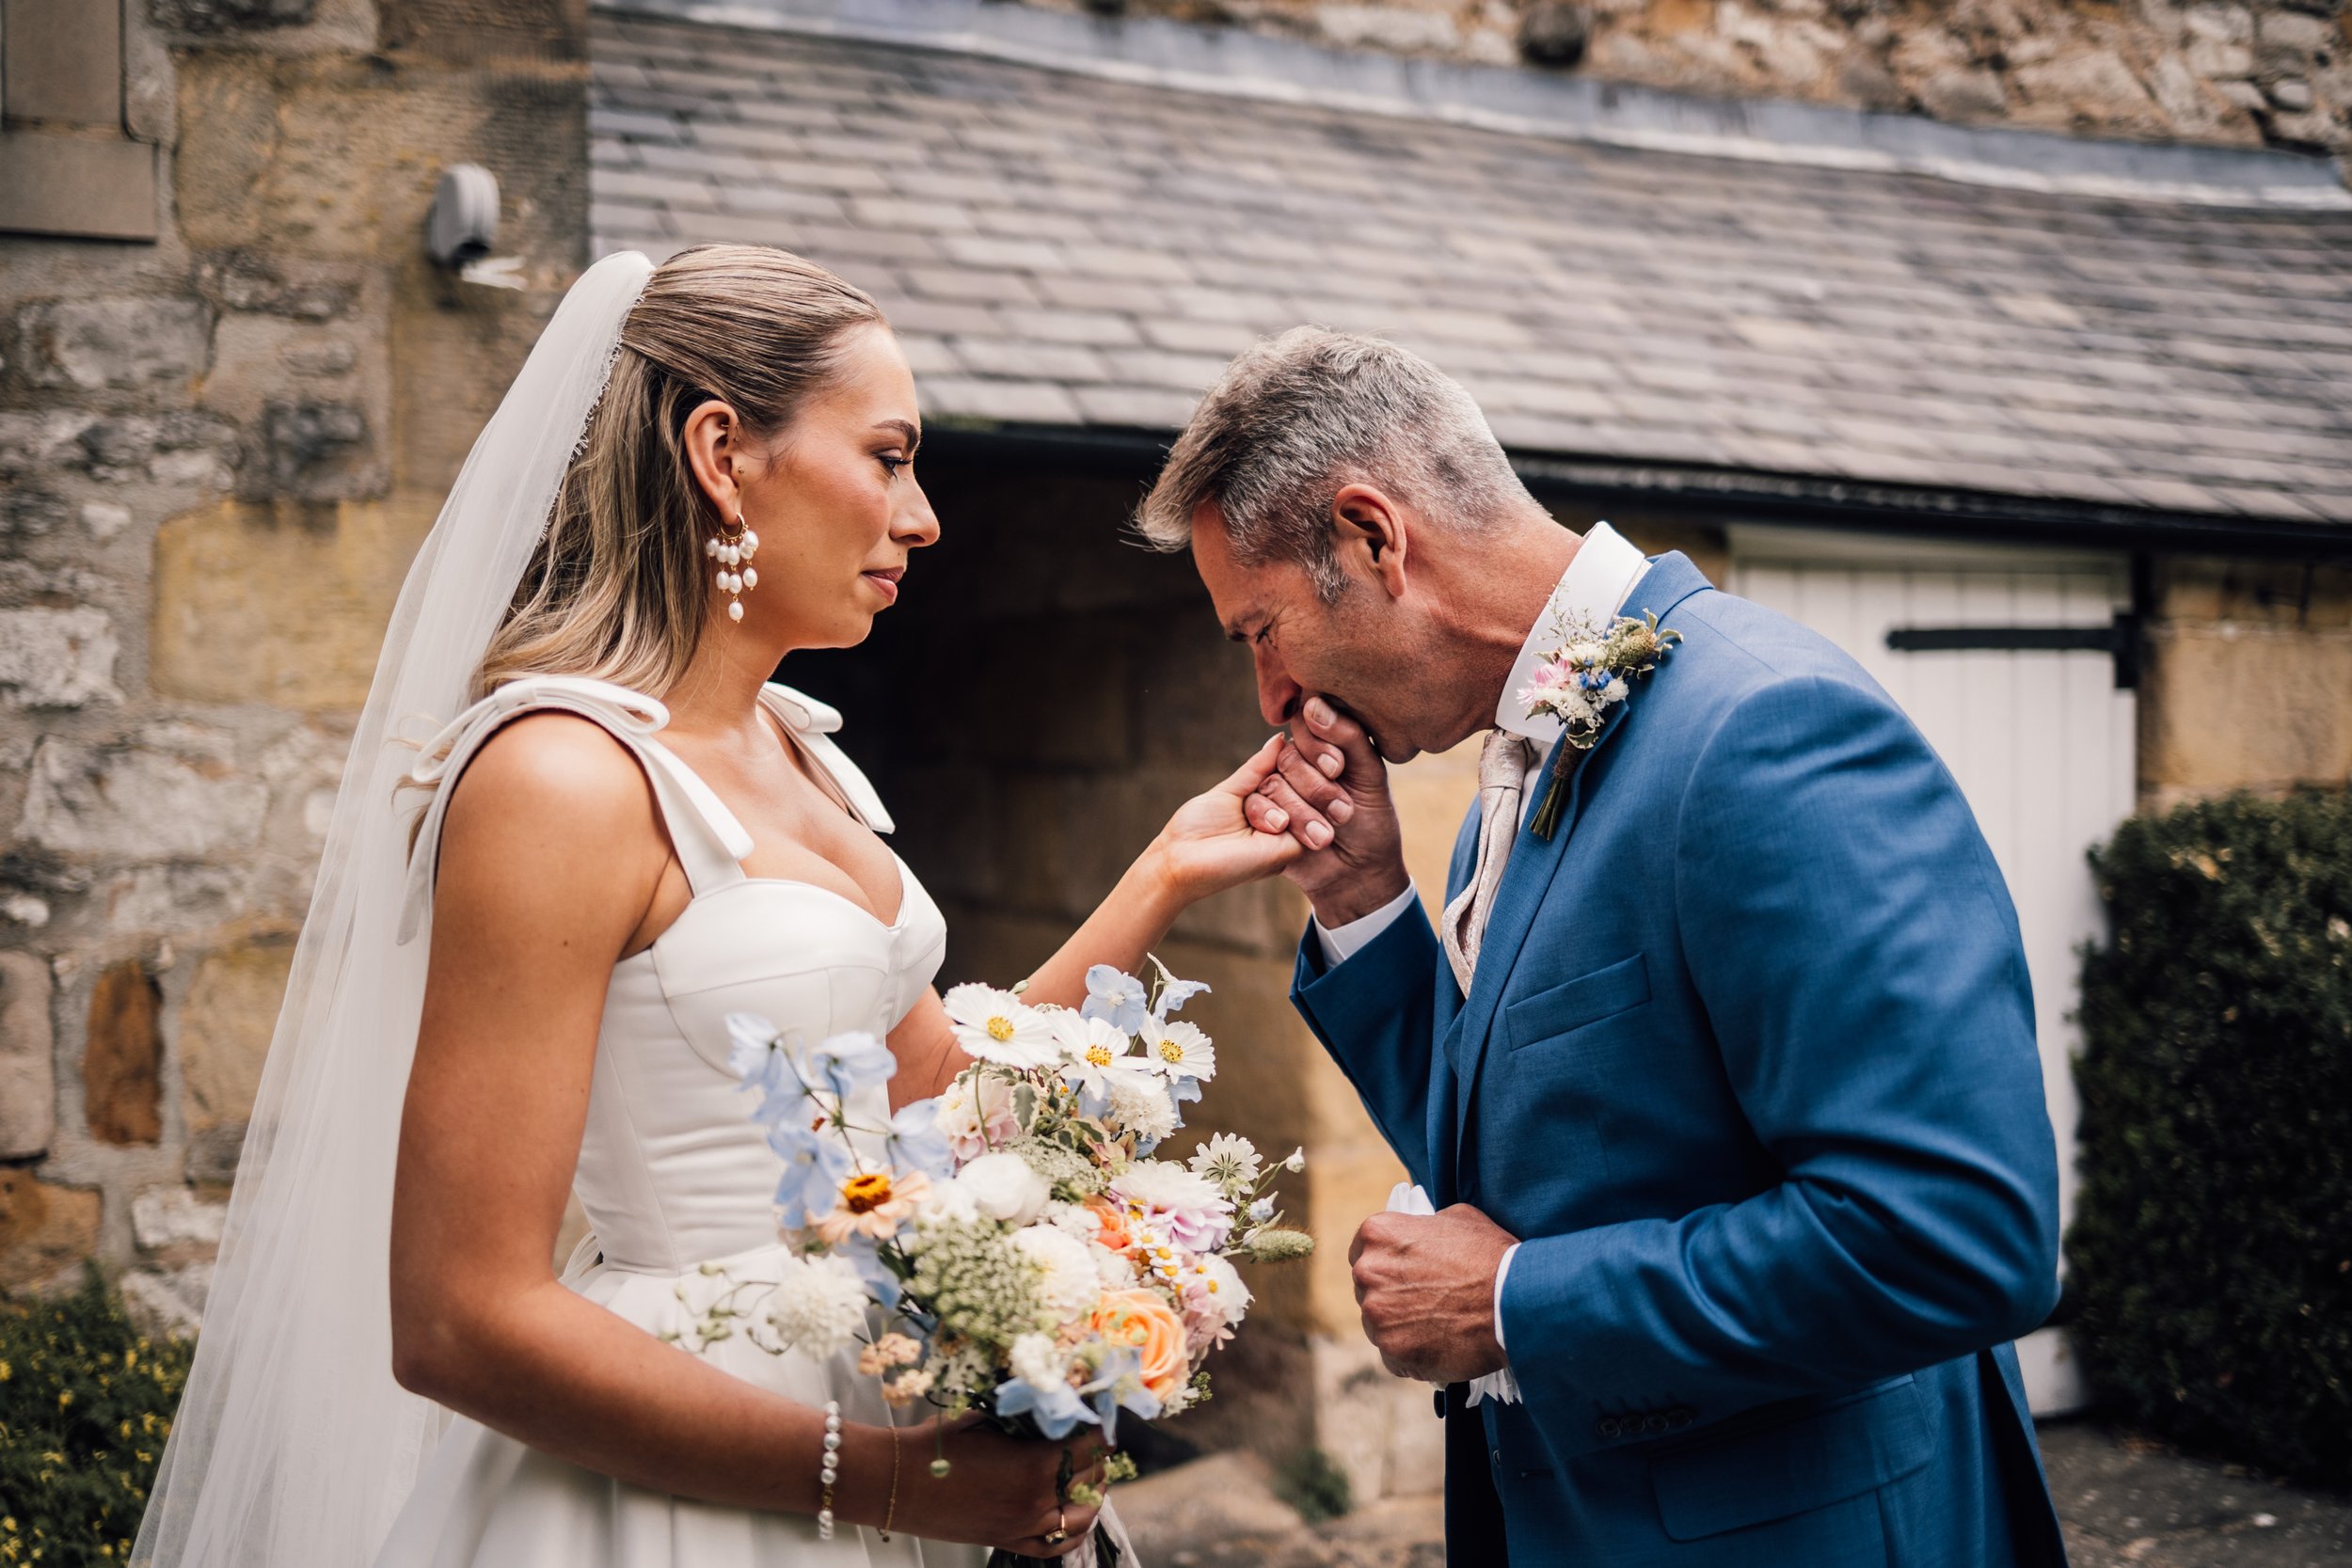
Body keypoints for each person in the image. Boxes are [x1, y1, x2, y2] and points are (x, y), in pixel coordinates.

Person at [133, 245, 1304, 1568]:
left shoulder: (804, 750)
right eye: (889, 455)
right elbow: (458, 1316)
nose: (922, 517)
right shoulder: (559, 778)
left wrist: (1165, 870)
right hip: (689, 1490)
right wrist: (884, 1483)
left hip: (893, 1413)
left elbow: (927, 1107)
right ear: (719, 452)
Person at [1144, 327, 2072, 1566]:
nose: (1271, 699)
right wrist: (1363, 900)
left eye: (1259, 629)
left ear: (1376, 539)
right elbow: (1536, 1158)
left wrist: (1515, 1302)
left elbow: (1957, 1233)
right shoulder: (1526, 761)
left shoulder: (1764, 732)